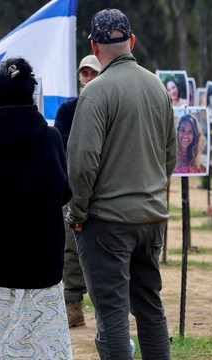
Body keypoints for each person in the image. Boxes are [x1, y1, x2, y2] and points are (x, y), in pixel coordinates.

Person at [66, 9, 175, 359]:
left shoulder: (95, 92)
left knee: (112, 316)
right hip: (151, 217)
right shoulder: (157, 87)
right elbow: (171, 154)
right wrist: (152, 193)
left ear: (95, 48)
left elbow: (82, 162)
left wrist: (77, 210)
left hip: (107, 222)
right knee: (150, 308)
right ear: (131, 41)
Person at [0, 57, 72, 359]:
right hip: (42, 261)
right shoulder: (50, 138)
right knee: (41, 346)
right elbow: (64, 192)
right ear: (30, 92)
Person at [53, 54, 101, 328]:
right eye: (84, 74)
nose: (88, 78)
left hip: (106, 190)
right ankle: (73, 305)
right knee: (71, 250)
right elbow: (61, 143)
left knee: (108, 250)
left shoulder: (112, 105)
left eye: (93, 73)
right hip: (74, 187)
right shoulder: (68, 109)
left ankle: (109, 309)